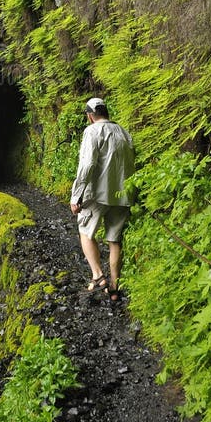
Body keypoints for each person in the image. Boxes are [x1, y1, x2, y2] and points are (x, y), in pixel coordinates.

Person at [70, 97, 135, 303]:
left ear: (90, 116)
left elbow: (88, 164)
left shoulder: (92, 132)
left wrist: (77, 195)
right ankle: (115, 289)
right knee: (114, 240)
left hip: (98, 194)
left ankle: (98, 276)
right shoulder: (124, 132)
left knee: (85, 232)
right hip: (123, 195)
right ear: (106, 112)